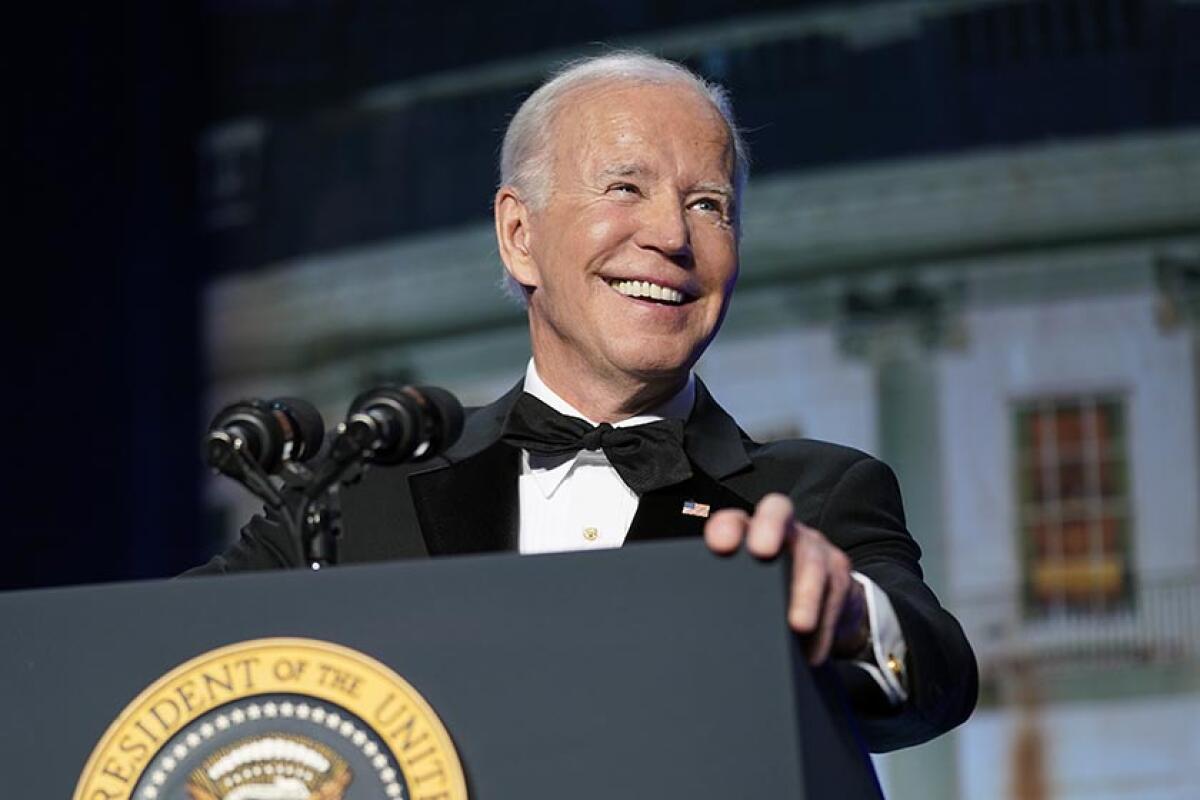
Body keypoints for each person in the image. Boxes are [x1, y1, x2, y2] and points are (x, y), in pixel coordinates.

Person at [191, 52, 976, 753]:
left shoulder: (815, 497)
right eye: (624, 187)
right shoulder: (363, 492)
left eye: (709, 204)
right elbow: (157, 650)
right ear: (518, 234)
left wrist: (846, 613)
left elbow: (938, 674)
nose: (672, 233)